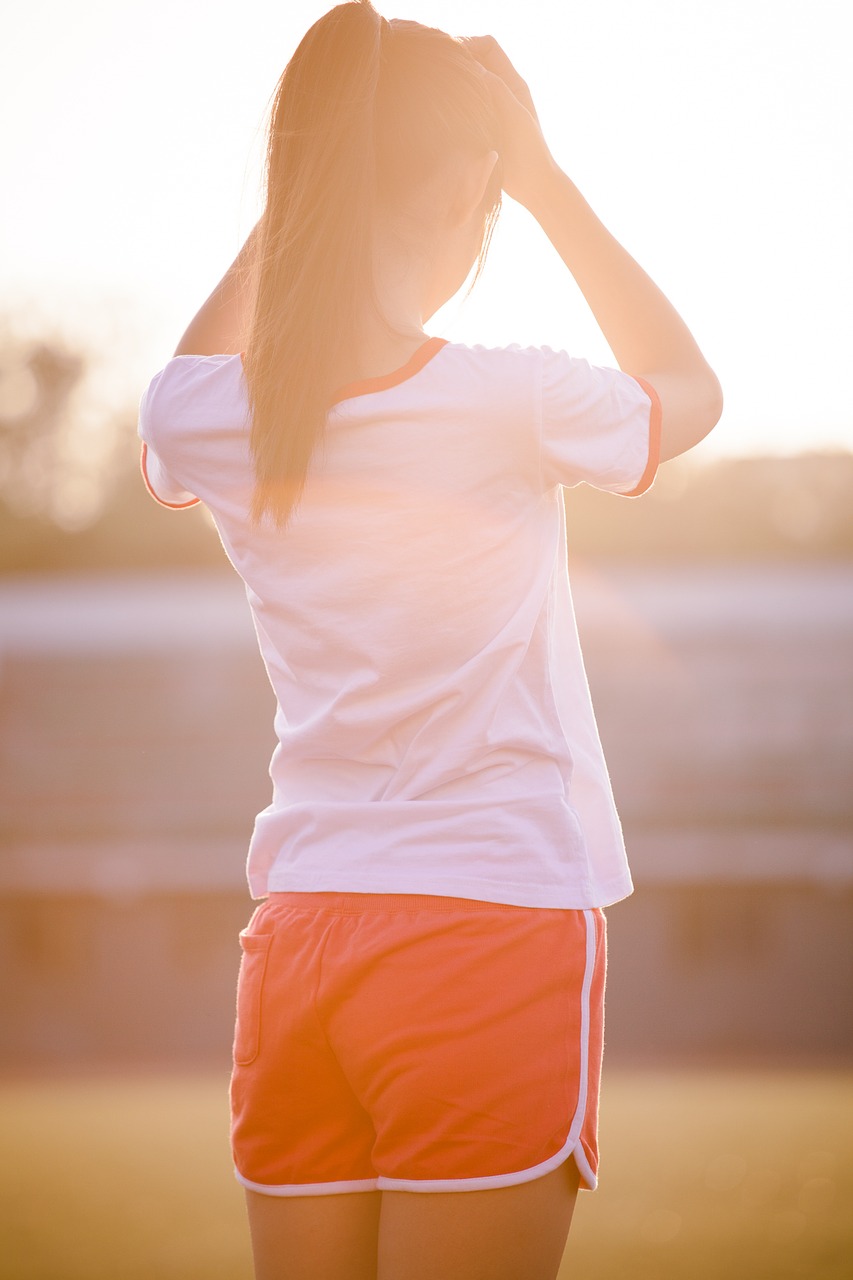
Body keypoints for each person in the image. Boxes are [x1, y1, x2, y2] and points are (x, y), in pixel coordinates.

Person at [138, 3, 722, 1277]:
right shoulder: (504, 394)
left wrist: (307, 192)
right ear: (472, 179)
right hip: (487, 922)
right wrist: (553, 185)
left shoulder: (204, 415)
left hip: (298, 938)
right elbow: (690, 392)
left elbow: (177, 395)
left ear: (308, 182)